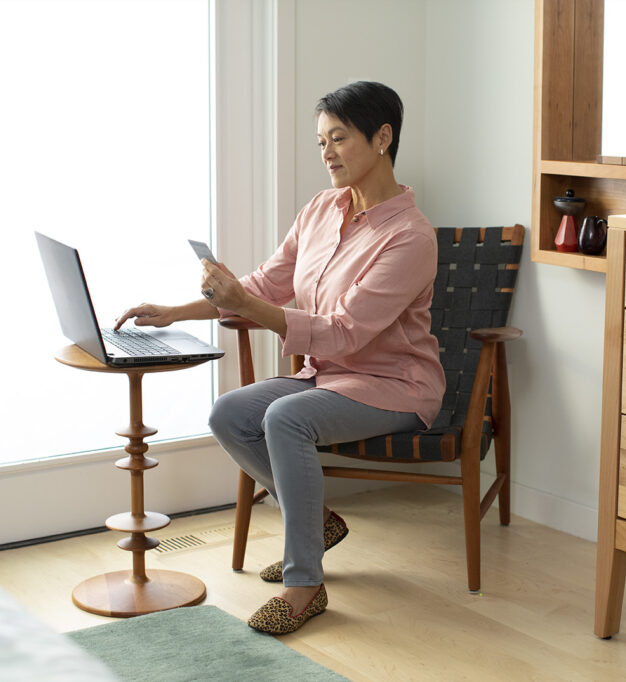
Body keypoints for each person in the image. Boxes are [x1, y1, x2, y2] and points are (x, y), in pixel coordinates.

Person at [114, 81, 445, 635]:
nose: (328, 153)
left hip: (394, 386)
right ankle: (317, 522)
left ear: (383, 137)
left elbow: (343, 334)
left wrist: (243, 303)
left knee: (284, 417)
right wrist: (176, 312)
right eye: (321, 142)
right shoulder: (320, 209)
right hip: (328, 380)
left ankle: (304, 585)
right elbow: (268, 283)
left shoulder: (412, 238)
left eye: (339, 138)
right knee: (229, 413)